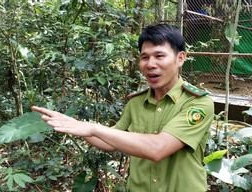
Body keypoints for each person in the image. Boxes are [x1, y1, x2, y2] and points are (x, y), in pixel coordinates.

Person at [32, 24, 214, 192]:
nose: (150, 64)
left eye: (159, 56)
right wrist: (74, 126)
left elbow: (158, 148)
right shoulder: (136, 102)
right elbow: (109, 142)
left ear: (180, 58)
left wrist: (93, 128)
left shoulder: (198, 103)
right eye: (144, 57)